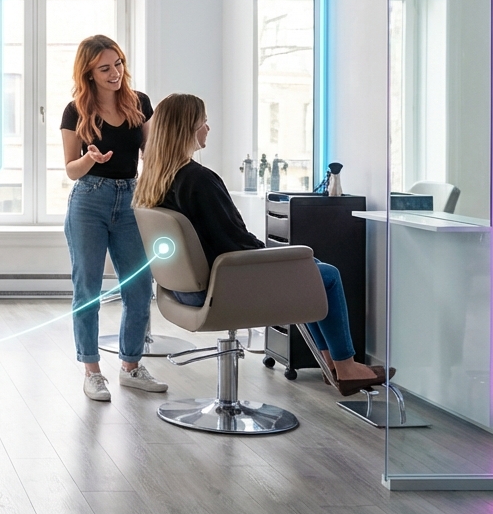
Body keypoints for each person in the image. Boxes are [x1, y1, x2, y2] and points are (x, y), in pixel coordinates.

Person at [132, 93, 389, 396]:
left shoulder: (154, 181)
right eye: (204, 122)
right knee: (327, 275)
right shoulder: (199, 180)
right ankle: (345, 366)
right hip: (223, 288)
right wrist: (273, 257)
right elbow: (235, 243)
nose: (208, 129)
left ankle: (333, 363)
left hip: (183, 291)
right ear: (187, 128)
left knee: (312, 269)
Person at [61, 35, 167, 402]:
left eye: (118, 64)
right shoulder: (75, 111)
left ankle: (131, 366)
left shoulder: (140, 104)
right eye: (105, 68)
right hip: (89, 200)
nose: (115, 73)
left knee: (139, 287)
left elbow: (152, 156)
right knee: (87, 289)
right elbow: (72, 170)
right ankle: (92, 371)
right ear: (88, 73)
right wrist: (90, 158)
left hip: (131, 201)